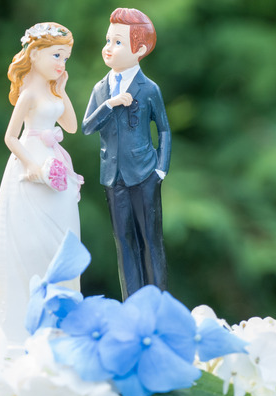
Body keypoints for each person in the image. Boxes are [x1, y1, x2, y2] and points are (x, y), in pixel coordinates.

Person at [0, 22, 84, 344]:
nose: (61, 63)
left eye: (66, 58)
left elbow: (70, 126)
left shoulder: (54, 91)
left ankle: (62, 321)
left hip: (55, 162)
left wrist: (64, 89)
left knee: (61, 237)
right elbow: (10, 137)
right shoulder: (29, 94)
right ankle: (24, 323)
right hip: (32, 164)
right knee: (30, 241)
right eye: (57, 55)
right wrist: (31, 164)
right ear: (36, 54)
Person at [81, 8, 171, 300]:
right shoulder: (101, 89)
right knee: (124, 243)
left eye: (117, 43)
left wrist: (161, 169)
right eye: (108, 41)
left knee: (151, 241)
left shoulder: (149, 89)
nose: (108, 48)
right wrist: (111, 104)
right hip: (113, 175)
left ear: (139, 49)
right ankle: (132, 302)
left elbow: (165, 130)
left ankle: (157, 301)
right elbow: (86, 127)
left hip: (144, 173)